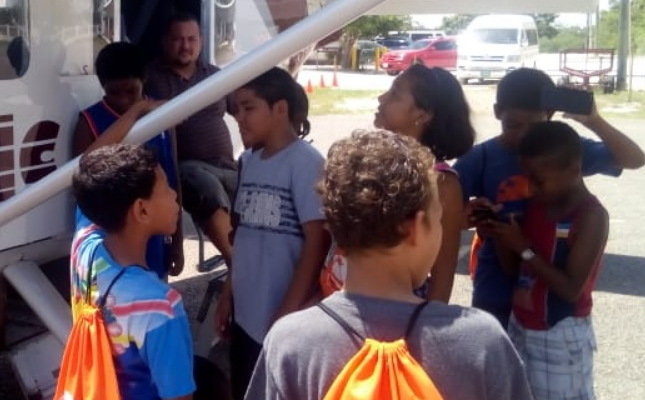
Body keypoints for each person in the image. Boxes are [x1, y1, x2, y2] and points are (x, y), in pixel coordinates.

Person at [244, 129, 533, 400]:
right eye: (440, 219)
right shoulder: (480, 342)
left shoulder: (291, 342)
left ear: (333, 225)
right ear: (415, 228)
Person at [453, 68, 645, 327]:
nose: (523, 135)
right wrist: (470, 216)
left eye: (534, 125)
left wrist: (594, 121)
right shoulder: (481, 159)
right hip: (495, 288)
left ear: (550, 116)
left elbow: (634, 160)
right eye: (513, 125)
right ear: (498, 112)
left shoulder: (559, 150)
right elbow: (445, 213)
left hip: (548, 295)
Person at [216, 67, 329, 399]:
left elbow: (317, 243)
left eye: (248, 107)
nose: (239, 117)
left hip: (281, 319)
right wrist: (227, 293)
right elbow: (241, 236)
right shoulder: (248, 161)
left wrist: (288, 313)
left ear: (280, 108)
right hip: (246, 318)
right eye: (236, 109)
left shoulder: (305, 162)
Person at [481, 121, 608, 400]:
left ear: (573, 171)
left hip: (560, 333)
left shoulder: (591, 216)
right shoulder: (536, 206)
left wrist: (523, 247)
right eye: (527, 177)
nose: (531, 187)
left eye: (539, 180)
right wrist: (501, 234)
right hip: (521, 323)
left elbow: (571, 288)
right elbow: (513, 269)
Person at [71, 143, 195, 400]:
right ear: (142, 210)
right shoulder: (160, 306)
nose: (174, 195)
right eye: (166, 186)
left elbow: (90, 171)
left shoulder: (84, 247)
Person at [72, 41, 184, 279]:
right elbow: (82, 169)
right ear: (102, 87)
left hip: (155, 235)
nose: (123, 100)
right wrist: (138, 110)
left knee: (155, 296)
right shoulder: (89, 122)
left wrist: (177, 240)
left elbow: (173, 177)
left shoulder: (162, 116)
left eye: (130, 92)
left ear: (144, 80)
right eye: (114, 92)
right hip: (112, 240)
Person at [370, 63, 475, 302]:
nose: (381, 98)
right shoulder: (369, 164)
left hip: (399, 316)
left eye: (395, 93)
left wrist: (423, 333)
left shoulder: (443, 185)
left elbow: (442, 276)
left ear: (422, 115)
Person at [144, 12, 237, 272]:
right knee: (207, 188)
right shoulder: (150, 78)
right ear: (164, 41)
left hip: (226, 166)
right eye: (177, 39)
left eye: (191, 39)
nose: (185, 46)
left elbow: (243, 111)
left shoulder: (215, 75)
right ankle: (236, 263)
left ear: (201, 41)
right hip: (184, 168)